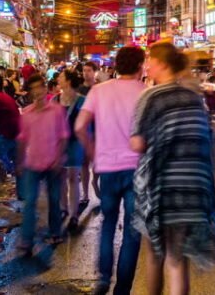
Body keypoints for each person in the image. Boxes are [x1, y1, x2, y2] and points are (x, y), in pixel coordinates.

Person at [130, 42, 215, 295]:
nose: (147, 65)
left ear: (162, 65)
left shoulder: (150, 96)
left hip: (161, 188)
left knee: (154, 255)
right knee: (177, 260)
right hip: (194, 188)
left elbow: (137, 143)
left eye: (150, 61)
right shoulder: (195, 98)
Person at [75, 46, 146, 295]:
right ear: (140, 66)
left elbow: (79, 126)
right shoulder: (146, 93)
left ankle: (103, 278)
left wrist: (95, 155)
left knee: (108, 223)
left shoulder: (99, 91)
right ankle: (122, 290)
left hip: (107, 169)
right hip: (137, 171)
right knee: (132, 233)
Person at [16, 74, 69, 255]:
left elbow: (63, 137)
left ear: (45, 89)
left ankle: (55, 232)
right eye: (34, 88)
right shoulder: (26, 114)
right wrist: (20, 161)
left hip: (53, 163)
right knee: (30, 202)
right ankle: (26, 240)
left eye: (40, 87)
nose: (38, 91)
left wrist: (59, 158)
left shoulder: (57, 111)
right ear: (30, 92)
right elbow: (22, 140)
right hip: (33, 163)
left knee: (54, 200)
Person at [53, 69, 87, 232]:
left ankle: (74, 215)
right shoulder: (54, 100)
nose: (58, 79)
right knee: (60, 178)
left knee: (73, 178)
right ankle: (63, 208)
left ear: (68, 81)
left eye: (61, 77)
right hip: (58, 145)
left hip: (75, 144)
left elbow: (87, 125)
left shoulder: (82, 101)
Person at [76, 60, 100, 213]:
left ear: (95, 72)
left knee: (98, 161)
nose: (86, 73)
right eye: (84, 70)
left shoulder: (100, 89)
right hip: (85, 129)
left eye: (89, 70)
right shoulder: (79, 89)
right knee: (84, 163)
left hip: (99, 129)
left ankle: (95, 182)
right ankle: (85, 194)